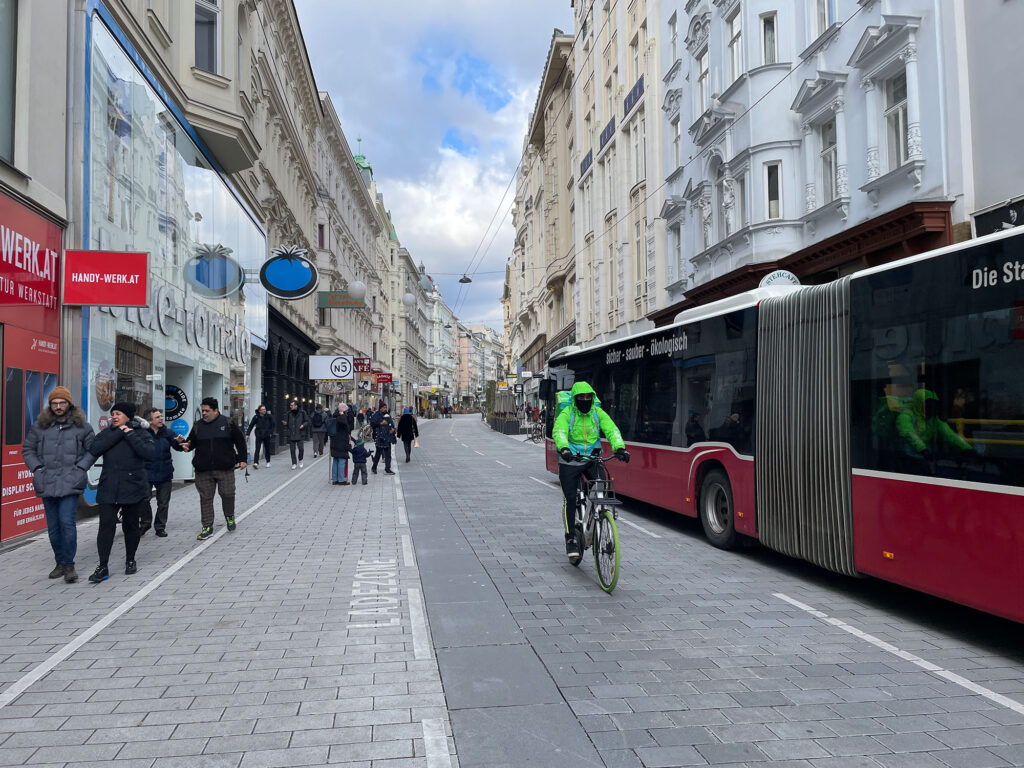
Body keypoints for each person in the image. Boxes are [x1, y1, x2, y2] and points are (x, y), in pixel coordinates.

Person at [22, 386, 96, 583]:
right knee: (53, 527)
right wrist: (37, 468)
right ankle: (60, 562)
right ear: (50, 405)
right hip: (46, 481)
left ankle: (70, 564)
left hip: (71, 481)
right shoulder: (40, 426)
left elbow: (93, 450)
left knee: (67, 523)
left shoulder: (83, 427)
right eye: (54, 403)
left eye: (62, 402)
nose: (58, 406)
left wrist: (81, 468)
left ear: (69, 404)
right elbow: (28, 449)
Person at [552, 382, 629, 559]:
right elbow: (560, 431)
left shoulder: (597, 412)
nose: (585, 400)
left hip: (592, 459)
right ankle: (570, 537)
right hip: (570, 461)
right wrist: (564, 448)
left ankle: (597, 517)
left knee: (602, 488)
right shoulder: (568, 413)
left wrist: (620, 448)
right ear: (575, 399)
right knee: (570, 499)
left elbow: (611, 429)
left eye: (588, 397)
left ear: (592, 397)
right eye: (581, 397)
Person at [87, 402, 155, 582]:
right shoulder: (108, 432)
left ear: (128, 416)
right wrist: (118, 432)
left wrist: (129, 433)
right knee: (105, 526)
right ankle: (103, 566)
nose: (114, 417)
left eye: (118, 413)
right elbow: (94, 449)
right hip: (109, 486)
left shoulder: (140, 433)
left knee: (130, 526)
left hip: (132, 486)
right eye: (113, 414)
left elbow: (148, 453)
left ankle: (130, 559)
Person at [180, 397, 247, 540]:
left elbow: (240, 441)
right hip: (203, 469)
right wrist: (185, 446)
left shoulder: (228, 423)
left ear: (216, 411)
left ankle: (229, 516)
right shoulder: (198, 425)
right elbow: (191, 443)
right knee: (205, 498)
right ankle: (207, 526)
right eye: (203, 410)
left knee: (228, 494)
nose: (204, 413)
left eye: (207, 411)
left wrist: (242, 459)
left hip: (225, 468)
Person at [897, 388, 973, 461]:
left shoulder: (933, 419)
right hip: (908, 457)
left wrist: (967, 448)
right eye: (927, 404)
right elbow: (909, 433)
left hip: (926, 456)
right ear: (919, 403)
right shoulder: (906, 416)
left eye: (933, 404)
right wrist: (922, 449)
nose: (931, 407)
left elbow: (950, 434)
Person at [142, 407, 185, 537]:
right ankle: (145, 523)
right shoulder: (141, 433)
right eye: (157, 417)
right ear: (149, 421)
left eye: (161, 416)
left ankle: (160, 527)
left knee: (163, 502)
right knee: (144, 500)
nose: (161, 419)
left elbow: (178, 447)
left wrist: (180, 442)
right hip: (146, 473)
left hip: (164, 472)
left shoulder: (167, 432)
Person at [326, 405, 352, 485]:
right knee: (341, 460)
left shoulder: (334, 416)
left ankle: (334, 479)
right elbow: (346, 426)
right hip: (341, 441)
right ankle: (341, 480)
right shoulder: (341, 417)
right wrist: (343, 415)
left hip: (334, 441)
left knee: (336, 460)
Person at [369, 400, 396, 475]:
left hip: (387, 437)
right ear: (380, 408)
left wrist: (393, 429)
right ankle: (374, 467)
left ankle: (387, 468)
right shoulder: (377, 415)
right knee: (378, 453)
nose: (385, 408)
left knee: (388, 454)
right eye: (384, 407)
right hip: (380, 437)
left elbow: (391, 423)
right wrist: (381, 423)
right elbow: (372, 423)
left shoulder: (387, 415)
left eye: (385, 407)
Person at [282, 400, 309, 469]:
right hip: (292, 434)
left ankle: (300, 459)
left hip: (300, 433)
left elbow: (307, 421)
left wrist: (303, 425)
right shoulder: (289, 413)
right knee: (292, 450)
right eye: (290, 405)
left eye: (292, 405)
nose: (290, 406)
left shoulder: (302, 412)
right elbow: (287, 423)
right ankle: (294, 463)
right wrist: (285, 423)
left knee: (301, 449)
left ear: (296, 406)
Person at [246, 404, 274, 468]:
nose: (264, 410)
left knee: (267, 449)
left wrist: (271, 433)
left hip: (267, 435)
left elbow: (273, 425)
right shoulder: (256, 417)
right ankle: (256, 462)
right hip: (259, 434)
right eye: (262, 409)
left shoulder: (269, 416)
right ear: (259, 411)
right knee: (257, 448)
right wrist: (248, 434)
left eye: (264, 409)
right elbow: (251, 425)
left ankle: (268, 462)